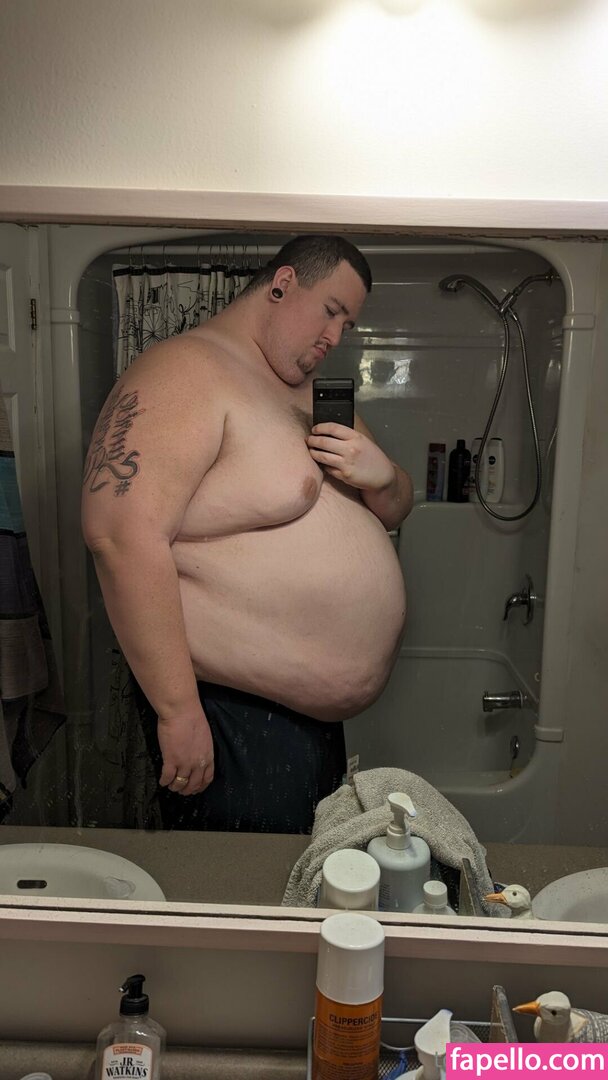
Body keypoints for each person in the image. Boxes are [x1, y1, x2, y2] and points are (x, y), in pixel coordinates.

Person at [81, 235, 413, 833]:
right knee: (244, 883)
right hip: (231, 710)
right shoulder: (186, 370)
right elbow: (119, 536)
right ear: (282, 284)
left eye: (347, 325)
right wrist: (178, 712)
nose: (335, 337)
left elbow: (392, 510)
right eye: (331, 311)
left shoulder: (308, 393)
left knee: (301, 879)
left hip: (304, 715)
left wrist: (384, 476)